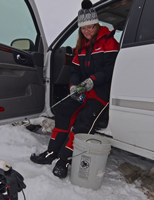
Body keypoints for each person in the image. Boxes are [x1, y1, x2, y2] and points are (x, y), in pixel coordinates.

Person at [30, 0, 119, 179]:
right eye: (83, 28)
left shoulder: (109, 42)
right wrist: (73, 85)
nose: (87, 31)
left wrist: (93, 80)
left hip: (101, 92)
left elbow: (110, 69)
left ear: (96, 24)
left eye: (90, 27)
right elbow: (75, 70)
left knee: (84, 121)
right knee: (63, 111)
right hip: (83, 90)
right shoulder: (81, 48)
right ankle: (52, 152)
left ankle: (64, 160)